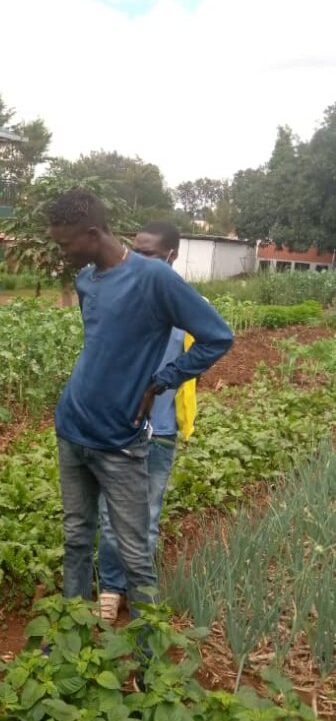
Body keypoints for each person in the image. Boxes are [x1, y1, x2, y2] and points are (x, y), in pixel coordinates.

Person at [47, 189, 233, 618]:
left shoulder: (154, 278)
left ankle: (149, 660)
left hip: (119, 441)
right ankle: (67, 636)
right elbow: (101, 345)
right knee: (76, 536)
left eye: (65, 243)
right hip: (72, 428)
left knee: (133, 553)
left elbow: (217, 337)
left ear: (92, 233)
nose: (62, 253)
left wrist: (160, 382)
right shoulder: (85, 280)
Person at [96, 221, 197, 622]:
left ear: (171, 256)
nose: (139, 260)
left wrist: (162, 385)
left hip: (161, 430)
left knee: (148, 517)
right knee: (109, 515)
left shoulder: (185, 303)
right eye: (136, 251)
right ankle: (110, 587)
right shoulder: (121, 298)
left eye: (150, 254)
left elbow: (207, 348)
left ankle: (139, 593)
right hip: (117, 427)